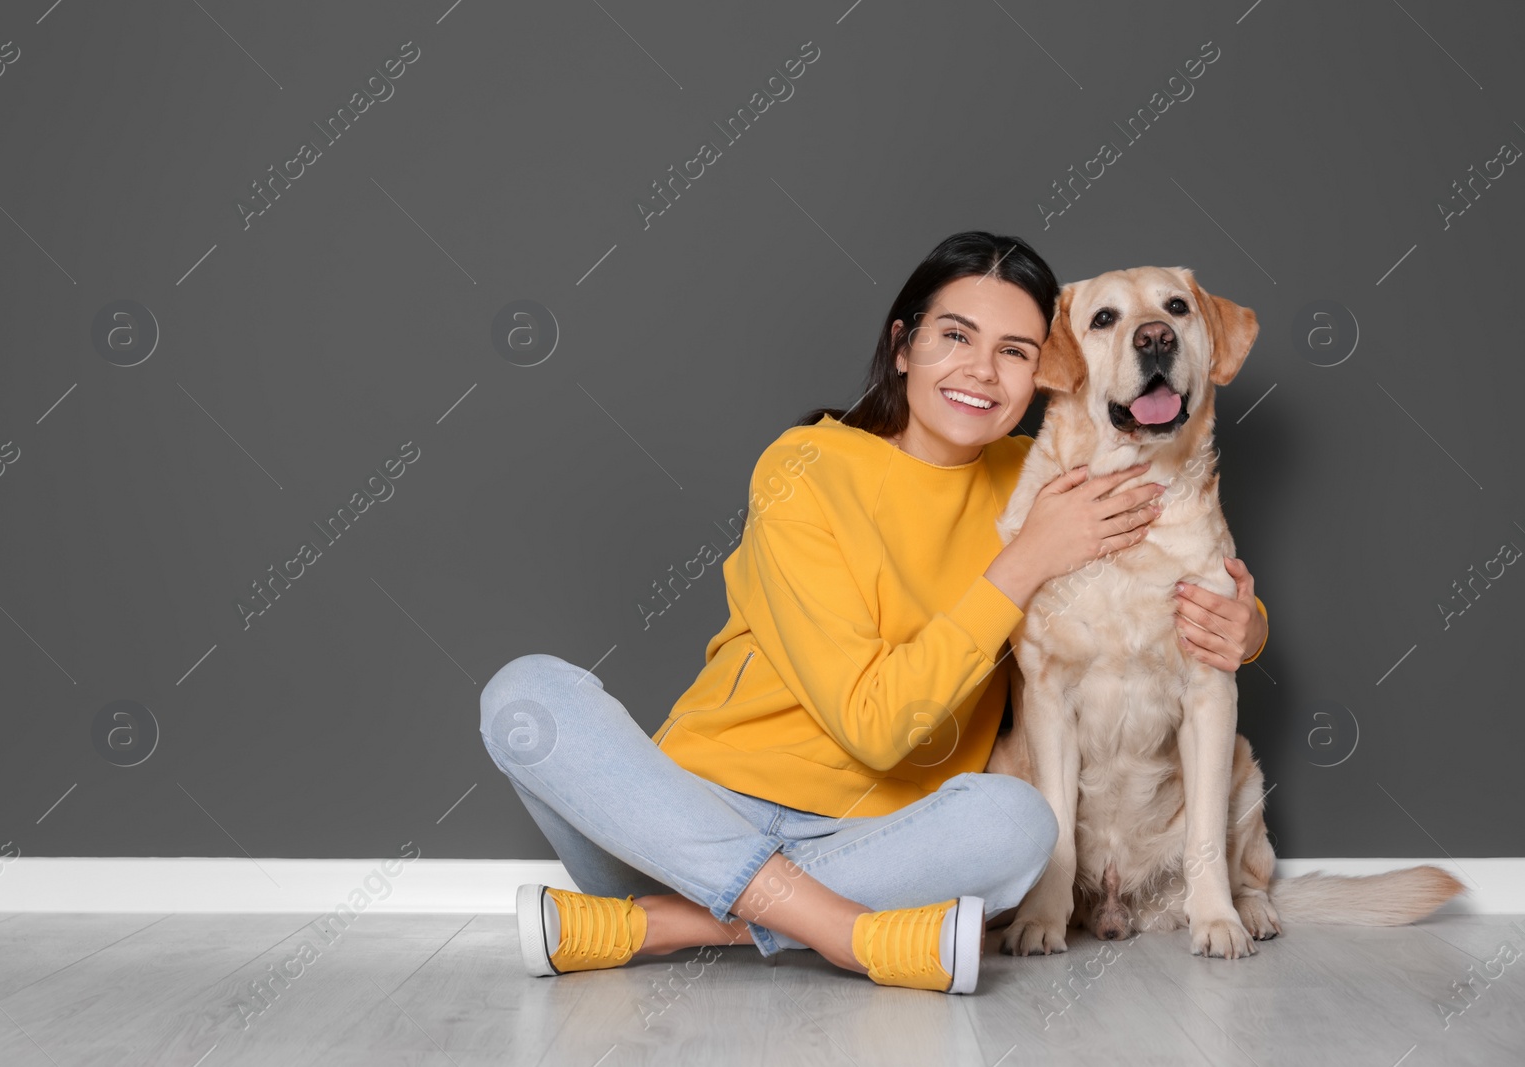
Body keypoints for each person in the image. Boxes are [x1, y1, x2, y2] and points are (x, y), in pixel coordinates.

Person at [478, 231, 1270, 996]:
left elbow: (1172, 568)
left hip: (887, 845)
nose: (982, 371)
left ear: (1048, 373)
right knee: (526, 695)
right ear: (902, 346)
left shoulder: (1045, 477)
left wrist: (1249, 627)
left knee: (1018, 823)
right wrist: (1027, 557)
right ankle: (853, 934)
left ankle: (658, 926)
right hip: (683, 825)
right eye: (955, 336)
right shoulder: (805, 469)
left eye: (1016, 352)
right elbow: (876, 726)